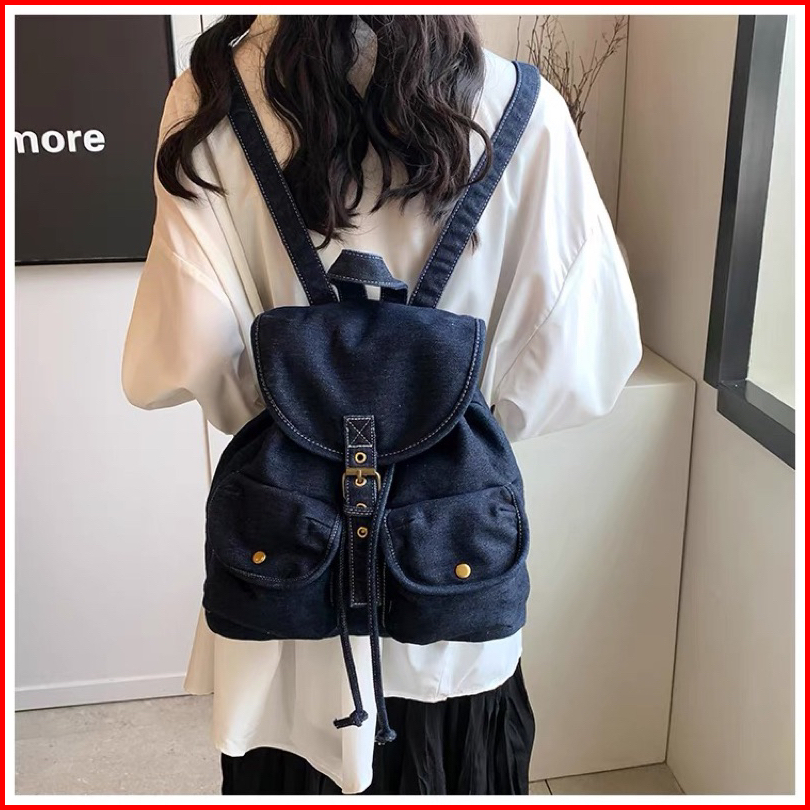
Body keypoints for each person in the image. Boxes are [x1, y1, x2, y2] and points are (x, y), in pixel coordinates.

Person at [122, 14, 642, 796]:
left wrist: (304, 414)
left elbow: (189, 355)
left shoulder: (208, 96)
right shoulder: (523, 106)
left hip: (288, 570)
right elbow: (583, 362)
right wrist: (445, 422)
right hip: (450, 573)